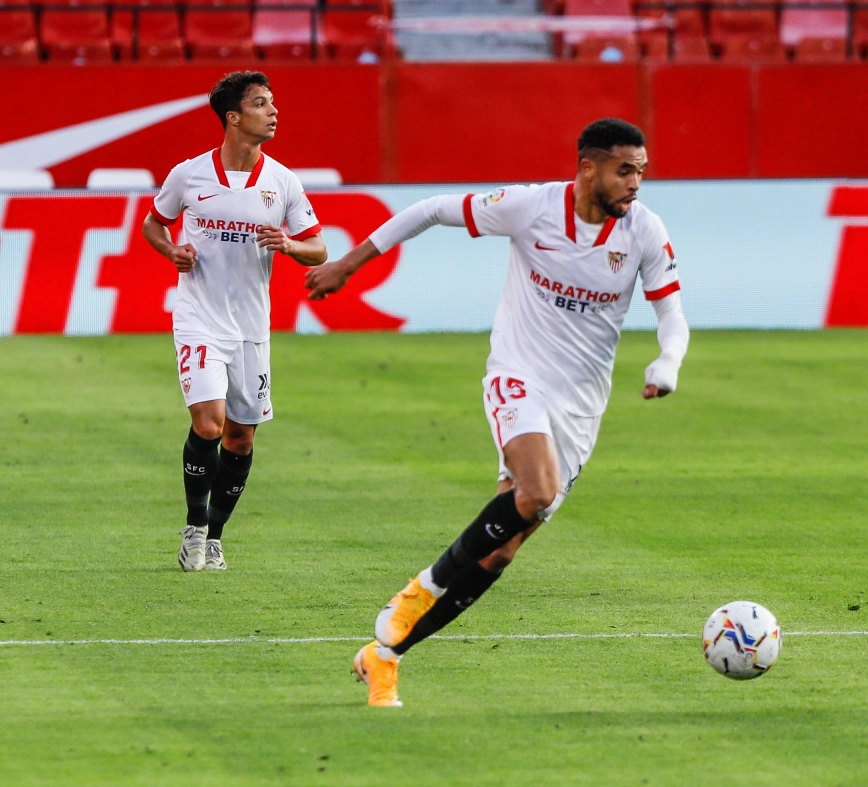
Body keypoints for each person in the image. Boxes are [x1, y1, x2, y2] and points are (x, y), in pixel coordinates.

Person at [306, 118, 689, 708]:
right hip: (518, 377)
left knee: (502, 550)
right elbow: (432, 210)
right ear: (589, 168)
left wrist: (667, 363)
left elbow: (673, 314)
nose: (637, 182)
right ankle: (423, 586)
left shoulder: (643, 229)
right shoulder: (529, 208)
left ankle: (383, 658)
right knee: (535, 492)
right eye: (626, 170)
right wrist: (349, 264)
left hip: (580, 407)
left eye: (641, 169)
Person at [143, 71, 327, 572]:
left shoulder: (282, 181)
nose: (274, 112)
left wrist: (289, 245)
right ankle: (194, 526)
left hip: (251, 328)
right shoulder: (189, 175)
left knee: (241, 438)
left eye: (273, 103)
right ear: (234, 117)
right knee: (209, 422)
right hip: (198, 317)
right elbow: (153, 224)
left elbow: (319, 248)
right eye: (262, 104)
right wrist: (172, 250)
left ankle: (216, 536)